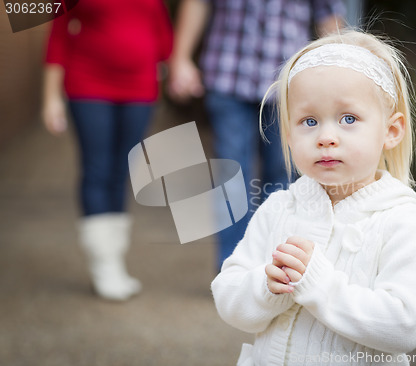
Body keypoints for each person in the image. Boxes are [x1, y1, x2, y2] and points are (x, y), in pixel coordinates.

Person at [211, 29, 416, 365]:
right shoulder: (279, 208)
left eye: (349, 119)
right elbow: (228, 295)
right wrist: (266, 287)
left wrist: (318, 284)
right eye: (309, 121)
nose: (326, 137)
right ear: (288, 136)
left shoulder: (400, 217)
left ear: (391, 131)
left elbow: (405, 326)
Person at [168, 0, 346, 270]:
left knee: (282, 177)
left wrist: (336, 75)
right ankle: (232, 268)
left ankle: (274, 264)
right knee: (232, 177)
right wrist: (180, 59)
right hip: (228, 77)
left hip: (288, 86)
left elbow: (329, 18)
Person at [41, 0, 173, 301]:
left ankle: (115, 258)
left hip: (140, 89)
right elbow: (57, 35)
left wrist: (172, 67)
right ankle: (104, 263)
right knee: (97, 168)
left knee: (120, 171)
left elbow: (163, 34)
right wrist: (50, 97)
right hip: (88, 85)